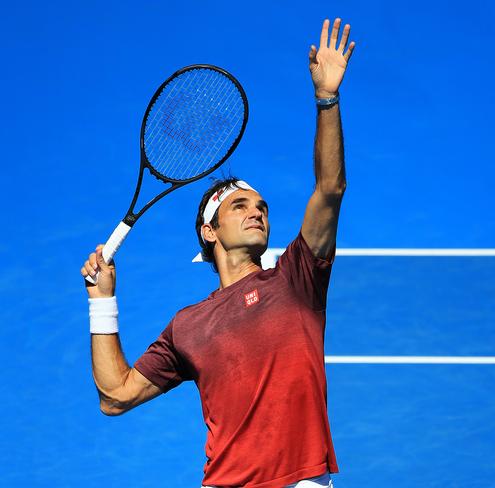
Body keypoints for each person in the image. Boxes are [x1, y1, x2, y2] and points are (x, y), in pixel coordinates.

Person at [80, 18, 356, 488]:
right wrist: (101, 300)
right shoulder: (188, 326)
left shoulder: (297, 278)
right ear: (209, 231)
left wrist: (326, 99)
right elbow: (115, 396)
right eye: (241, 205)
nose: (258, 212)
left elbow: (330, 188)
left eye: (263, 207)